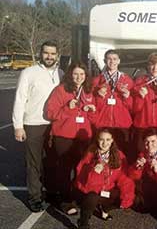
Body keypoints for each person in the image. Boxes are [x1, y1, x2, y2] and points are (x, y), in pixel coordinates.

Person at [12, 40, 63, 212]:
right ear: (41, 53)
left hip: (55, 125)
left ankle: (51, 192)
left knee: (52, 162)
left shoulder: (61, 73)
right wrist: (18, 125)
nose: (49, 56)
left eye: (52, 53)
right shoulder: (28, 72)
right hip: (33, 123)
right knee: (34, 163)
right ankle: (35, 197)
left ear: (57, 55)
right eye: (46, 53)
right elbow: (20, 99)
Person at [46, 61, 96, 212]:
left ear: (86, 76)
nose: (79, 77)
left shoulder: (88, 90)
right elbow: (50, 113)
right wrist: (68, 108)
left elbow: (92, 117)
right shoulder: (61, 90)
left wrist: (92, 110)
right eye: (75, 74)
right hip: (64, 136)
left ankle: (76, 196)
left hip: (82, 137)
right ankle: (66, 201)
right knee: (65, 169)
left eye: (82, 74)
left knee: (80, 168)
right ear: (70, 75)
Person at [74, 128, 135, 229]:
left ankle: (104, 209)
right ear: (97, 140)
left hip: (106, 189)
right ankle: (83, 222)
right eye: (101, 139)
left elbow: (123, 177)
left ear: (112, 140)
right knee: (92, 197)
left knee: (125, 197)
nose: (104, 143)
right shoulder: (90, 153)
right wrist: (94, 172)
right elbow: (86, 183)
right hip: (89, 190)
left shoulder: (119, 155)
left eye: (108, 139)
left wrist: (127, 197)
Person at [92, 49, 134, 158]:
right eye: (109, 59)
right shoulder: (97, 81)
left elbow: (132, 107)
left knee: (121, 155)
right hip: (103, 124)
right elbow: (94, 105)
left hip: (121, 124)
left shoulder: (127, 80)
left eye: (115, 59)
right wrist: (99, 96)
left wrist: (127, 97)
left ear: (119, 61)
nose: (112, 61)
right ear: (104, 61)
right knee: (103, 155)